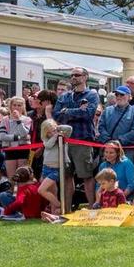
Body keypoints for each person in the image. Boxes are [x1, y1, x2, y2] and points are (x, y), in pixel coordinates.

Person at [54, 67, 100, 207]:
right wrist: (77, 111)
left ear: (85, 77)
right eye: (72, 75)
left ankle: (93, 208)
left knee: (86, 176)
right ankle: (66, 210)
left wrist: (67, 111)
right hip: (65, 141)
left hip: (82, 140)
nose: (74, 77)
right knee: (67, 177)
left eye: (77, 75)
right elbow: (57, 115)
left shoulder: (92, 95)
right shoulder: (64, 96)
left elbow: (88, 114)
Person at [97, 85, 134, 152]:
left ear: (129, 97)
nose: (119, 97)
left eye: (122, 95)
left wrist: (119, 141)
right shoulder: (107, 110)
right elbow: (101, 126)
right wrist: (108, 140)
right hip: (108, 148)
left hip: (126, 150)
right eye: (117, 94)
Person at [0, 96, 33, 179]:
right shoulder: (5, 120)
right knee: (11, 177)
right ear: (10, 106)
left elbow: (24, 133)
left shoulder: (27, 119)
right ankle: (12, 191)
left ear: (23, 107)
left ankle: (20, 191)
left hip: (23, 149)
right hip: (10, 149)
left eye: (19, 105)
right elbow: (2, 136)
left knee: (22, 176)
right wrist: (18, 137)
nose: (16, 107)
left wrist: (18, 120)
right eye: (14, 105)